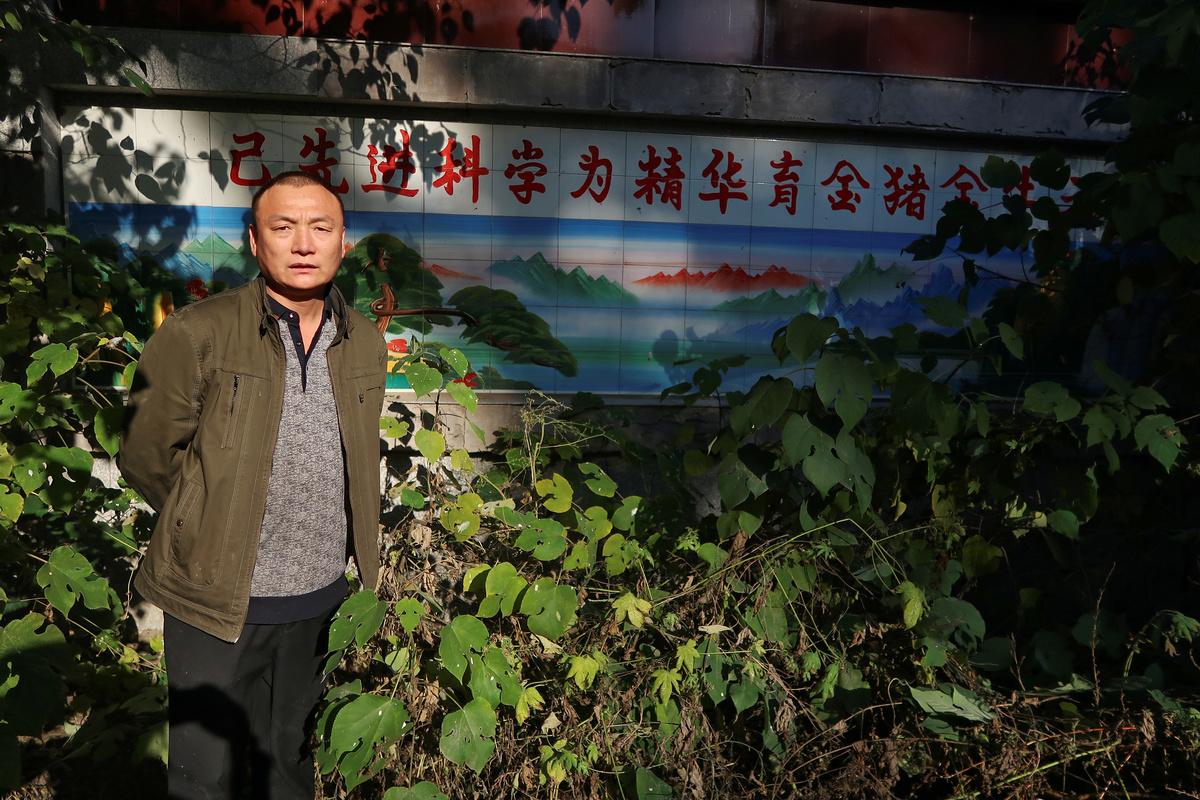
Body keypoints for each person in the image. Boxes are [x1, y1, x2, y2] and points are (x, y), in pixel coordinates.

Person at [119, 171, 387, 800]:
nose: (304, 243)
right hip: (214, 599)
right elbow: (146, 452)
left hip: (319, 596)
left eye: (320, 227)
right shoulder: (198, 332)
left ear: (343, 241)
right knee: (204, 774)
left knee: (288, 763)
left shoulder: (363, 340)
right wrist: (204, 519)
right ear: (254, 241)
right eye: (283, 227)